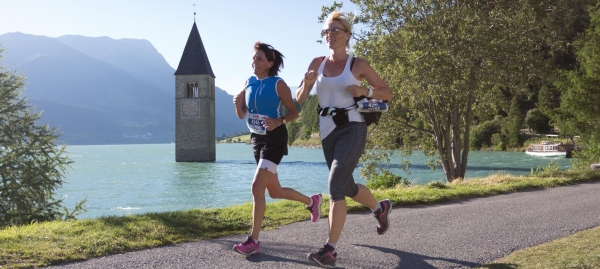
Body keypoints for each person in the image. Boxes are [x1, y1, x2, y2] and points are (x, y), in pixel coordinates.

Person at [295, 11, 394, 268]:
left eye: (336, 30)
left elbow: (387, 93)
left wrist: (366, 91)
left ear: (348, 35)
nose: (331, 35)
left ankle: (330, 250)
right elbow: (299, 99)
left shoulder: (357, 64)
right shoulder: (317, 62)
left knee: (335, 186)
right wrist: (306, 84)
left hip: (353, 127)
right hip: (327, 131)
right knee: (346, 187)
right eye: (327, 31)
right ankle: (380, 208)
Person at [232, 41, 323, 256]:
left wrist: (279, 120)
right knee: (274, 191)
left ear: (270, 63)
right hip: (257, 139)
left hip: (275, 139)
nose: (254, 61)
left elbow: (294, 112)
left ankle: (253, 240)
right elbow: (242, 114)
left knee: (257, 188)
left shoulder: (278, 84)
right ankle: (312, 201)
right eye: (254, 58)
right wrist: (238, 105)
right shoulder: (249, 81)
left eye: (259, 58)